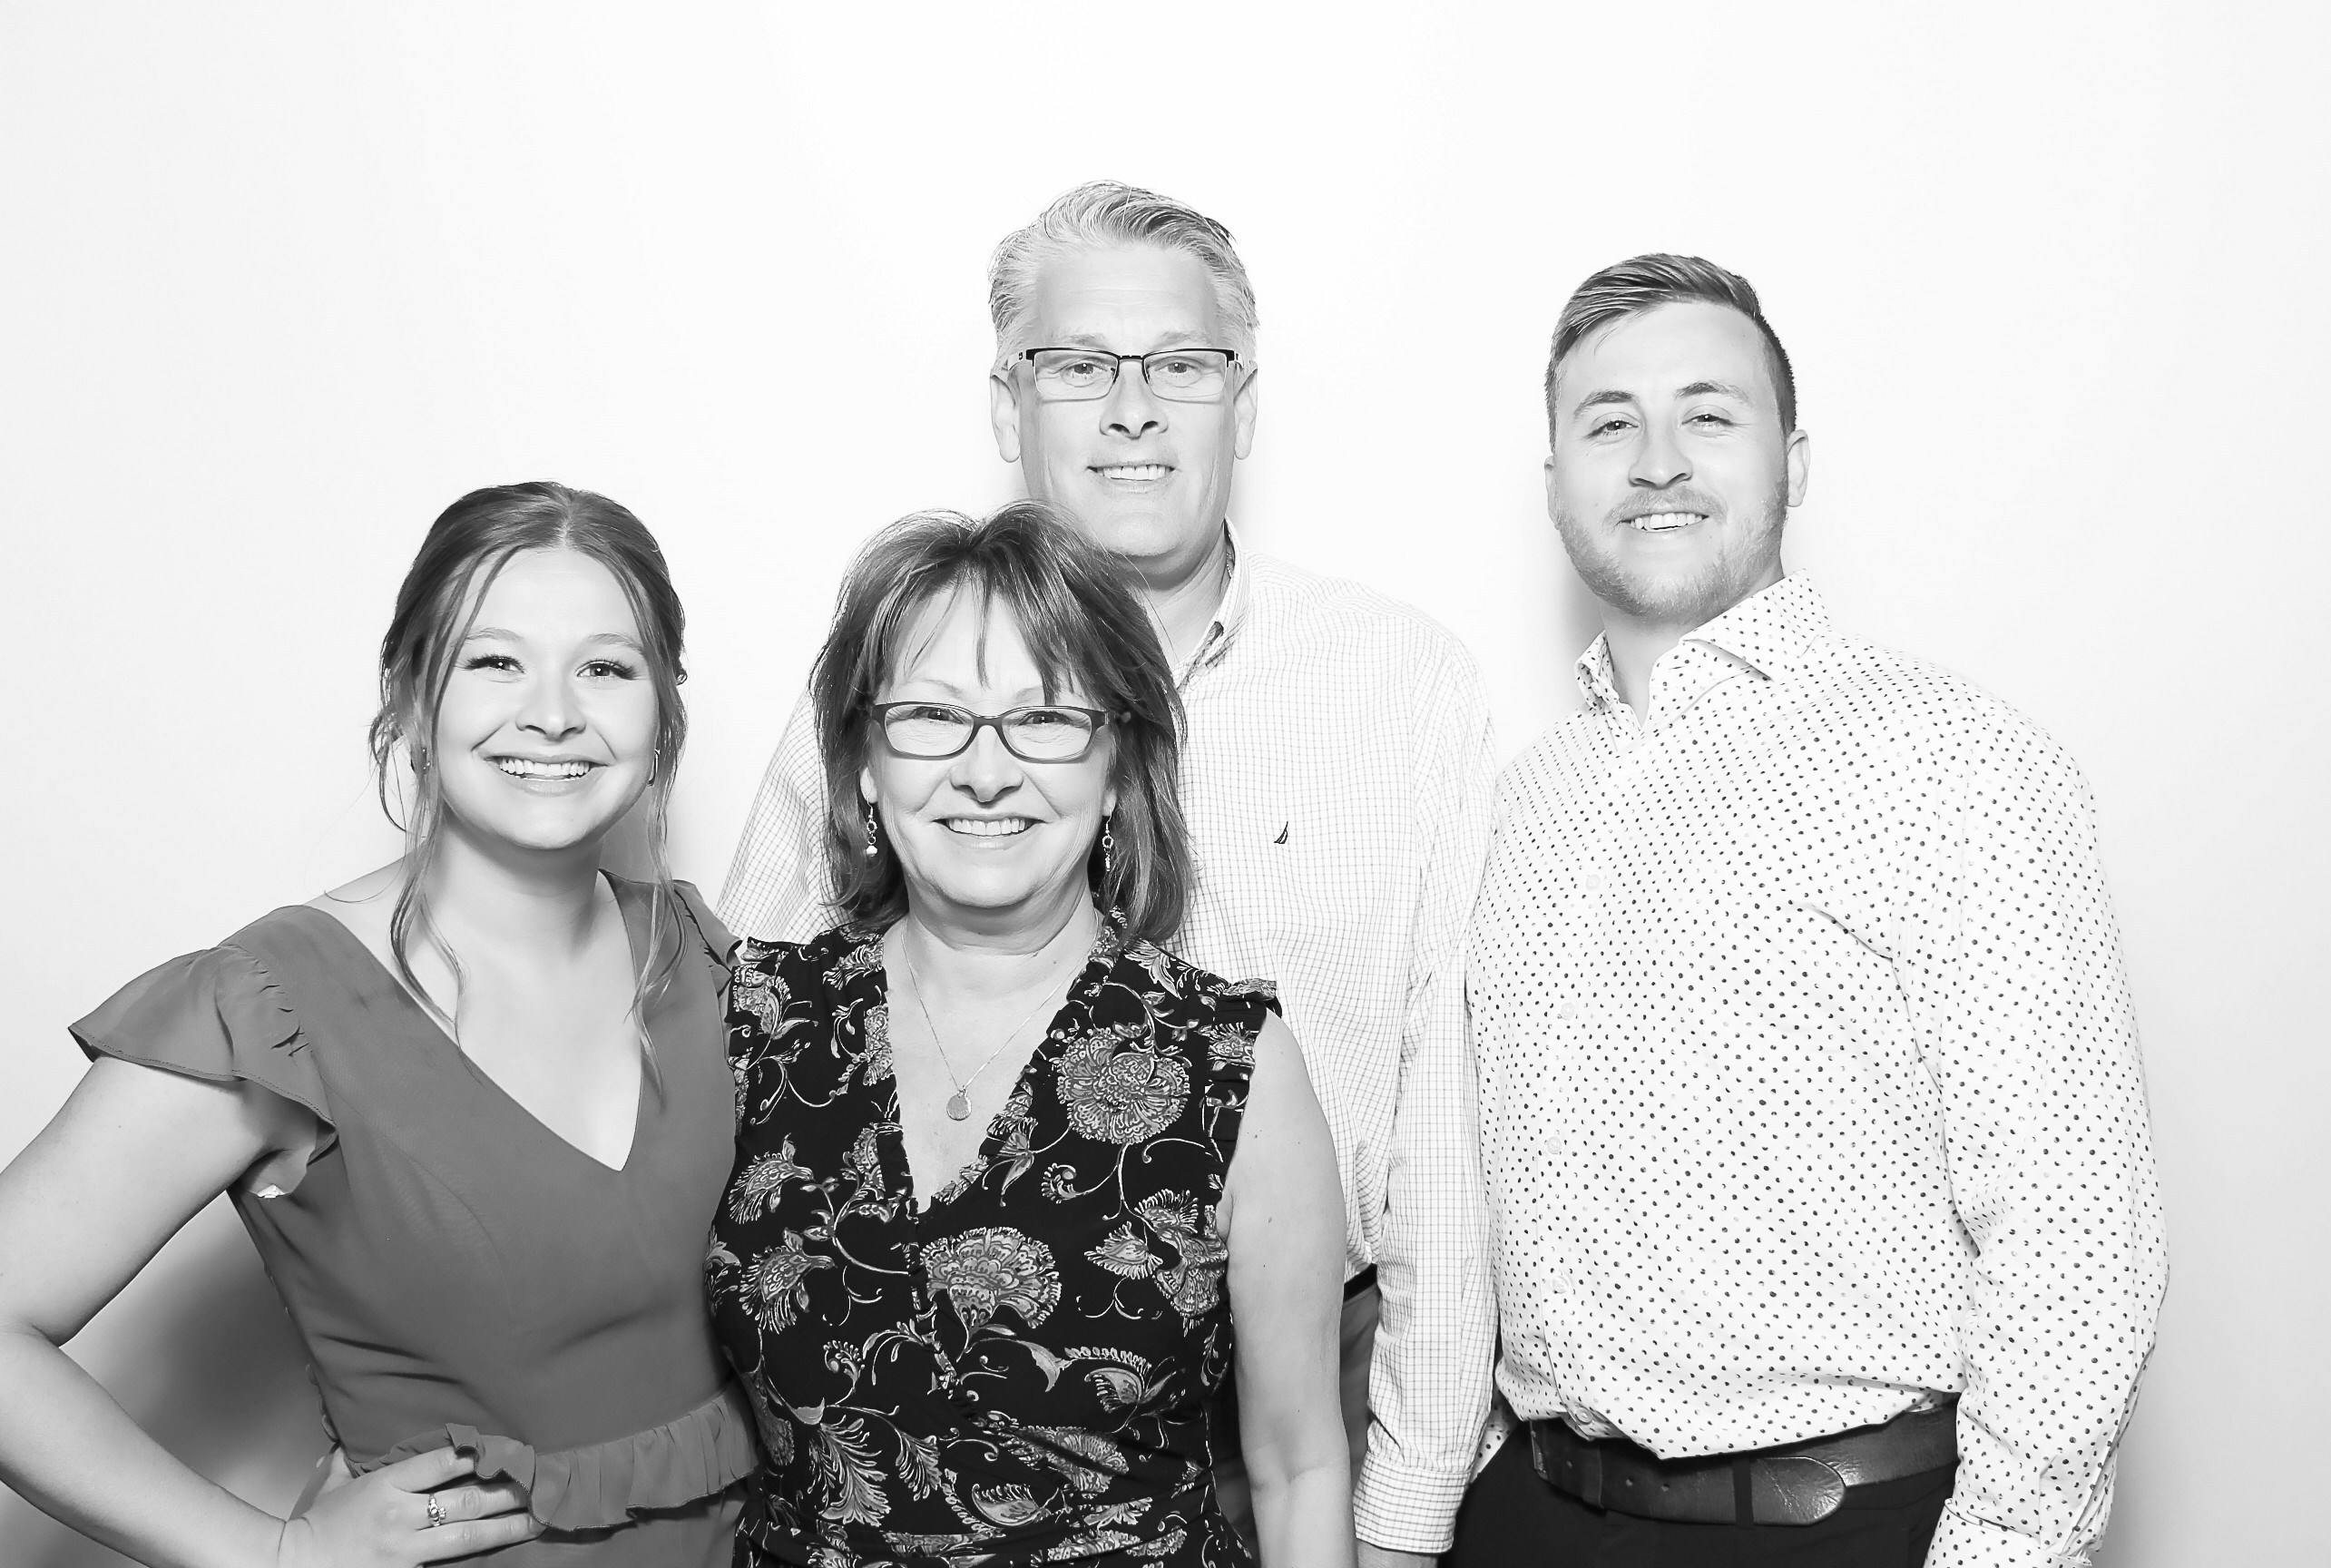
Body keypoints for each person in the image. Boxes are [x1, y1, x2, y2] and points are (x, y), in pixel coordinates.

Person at [721, 182, 1493, 1568]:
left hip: (1313, 1379)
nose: (1131, 410)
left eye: (1180, 365)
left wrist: (1406, 1508)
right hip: (900, 1399)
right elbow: (733, 1090)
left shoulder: (1401, 684)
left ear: (1240, 403)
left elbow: (1444, 1133)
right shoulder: (883, 680)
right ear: (1008, 404)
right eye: (1078, 365)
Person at [1452, 256, 2168, 1567]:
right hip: (1531, 1522)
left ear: (1791, 461)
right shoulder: (1520, 805)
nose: (1656, 461)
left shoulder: (1954, 764)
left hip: (1844, 1529)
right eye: (1608, 423)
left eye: (1706, 414)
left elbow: (2075, 1231)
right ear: (1554, 481)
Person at [0, 482, 757, 1565]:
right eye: (494, 661)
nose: (553, 713)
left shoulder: (698, 952)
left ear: (663, 711)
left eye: (606, 667)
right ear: (407, 696)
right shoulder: (272, 1007)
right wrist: (274, 1554)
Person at [710, 503, 1354, 1567]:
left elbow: (1298, 1468)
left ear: (1116, 768)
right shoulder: (754, 1021)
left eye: (1044, 717)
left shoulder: (1230, 1063)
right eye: (931, 715)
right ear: (864, 764)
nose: (985, 770)